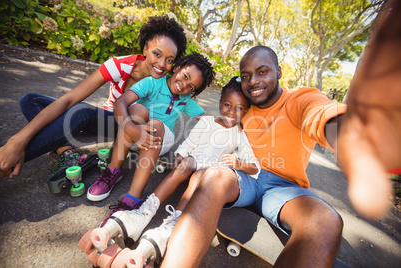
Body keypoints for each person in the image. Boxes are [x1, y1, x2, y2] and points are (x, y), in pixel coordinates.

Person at [161, 2, 401, 266]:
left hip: (284, 188)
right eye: (246, 76)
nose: (253, 81)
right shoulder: (244, 107)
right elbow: (213, 123)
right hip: (243, 177)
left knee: (327, 220)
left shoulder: (301, 99)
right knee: (214, 174)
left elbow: (322, 114)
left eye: (262, 72)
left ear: (279, 72)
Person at [0, 15, 187, 178]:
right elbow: (69, 99)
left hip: (129, 129)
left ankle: (2, 166)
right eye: (156, 54)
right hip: (103, 116)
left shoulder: (169, 83)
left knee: (80, 113)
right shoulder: (119, 66)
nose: (162, 64)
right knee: (30, 100)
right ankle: (64, 150)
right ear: (145, 49)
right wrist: (16, 140)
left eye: (170, 60)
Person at [105, 77, 260, 260]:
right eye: (227, 104)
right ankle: (145, 211)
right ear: (220, 103)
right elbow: (189, 144)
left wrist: (239, 164)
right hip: (194, 160)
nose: (232, 112)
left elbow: (255, 167)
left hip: (211, 171)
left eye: (240, 108)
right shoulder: (207, 122)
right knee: (184, 166)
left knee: (198, 177)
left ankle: (173, 223)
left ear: (247, 111)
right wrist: (180, 154)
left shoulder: (240, 133)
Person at [93, 52, 215, 226]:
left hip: (160, 140)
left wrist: (235, 125)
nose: (183, 86)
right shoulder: (152, 82)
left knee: (156, 124)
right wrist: (131, 128)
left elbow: (208, 120)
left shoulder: (186, 100)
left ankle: (132, 198)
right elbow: (121, 102)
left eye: (191, 87)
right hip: (133, 134)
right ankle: (113, 171)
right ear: (177, 68)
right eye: (185, 76)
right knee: (138, 111)